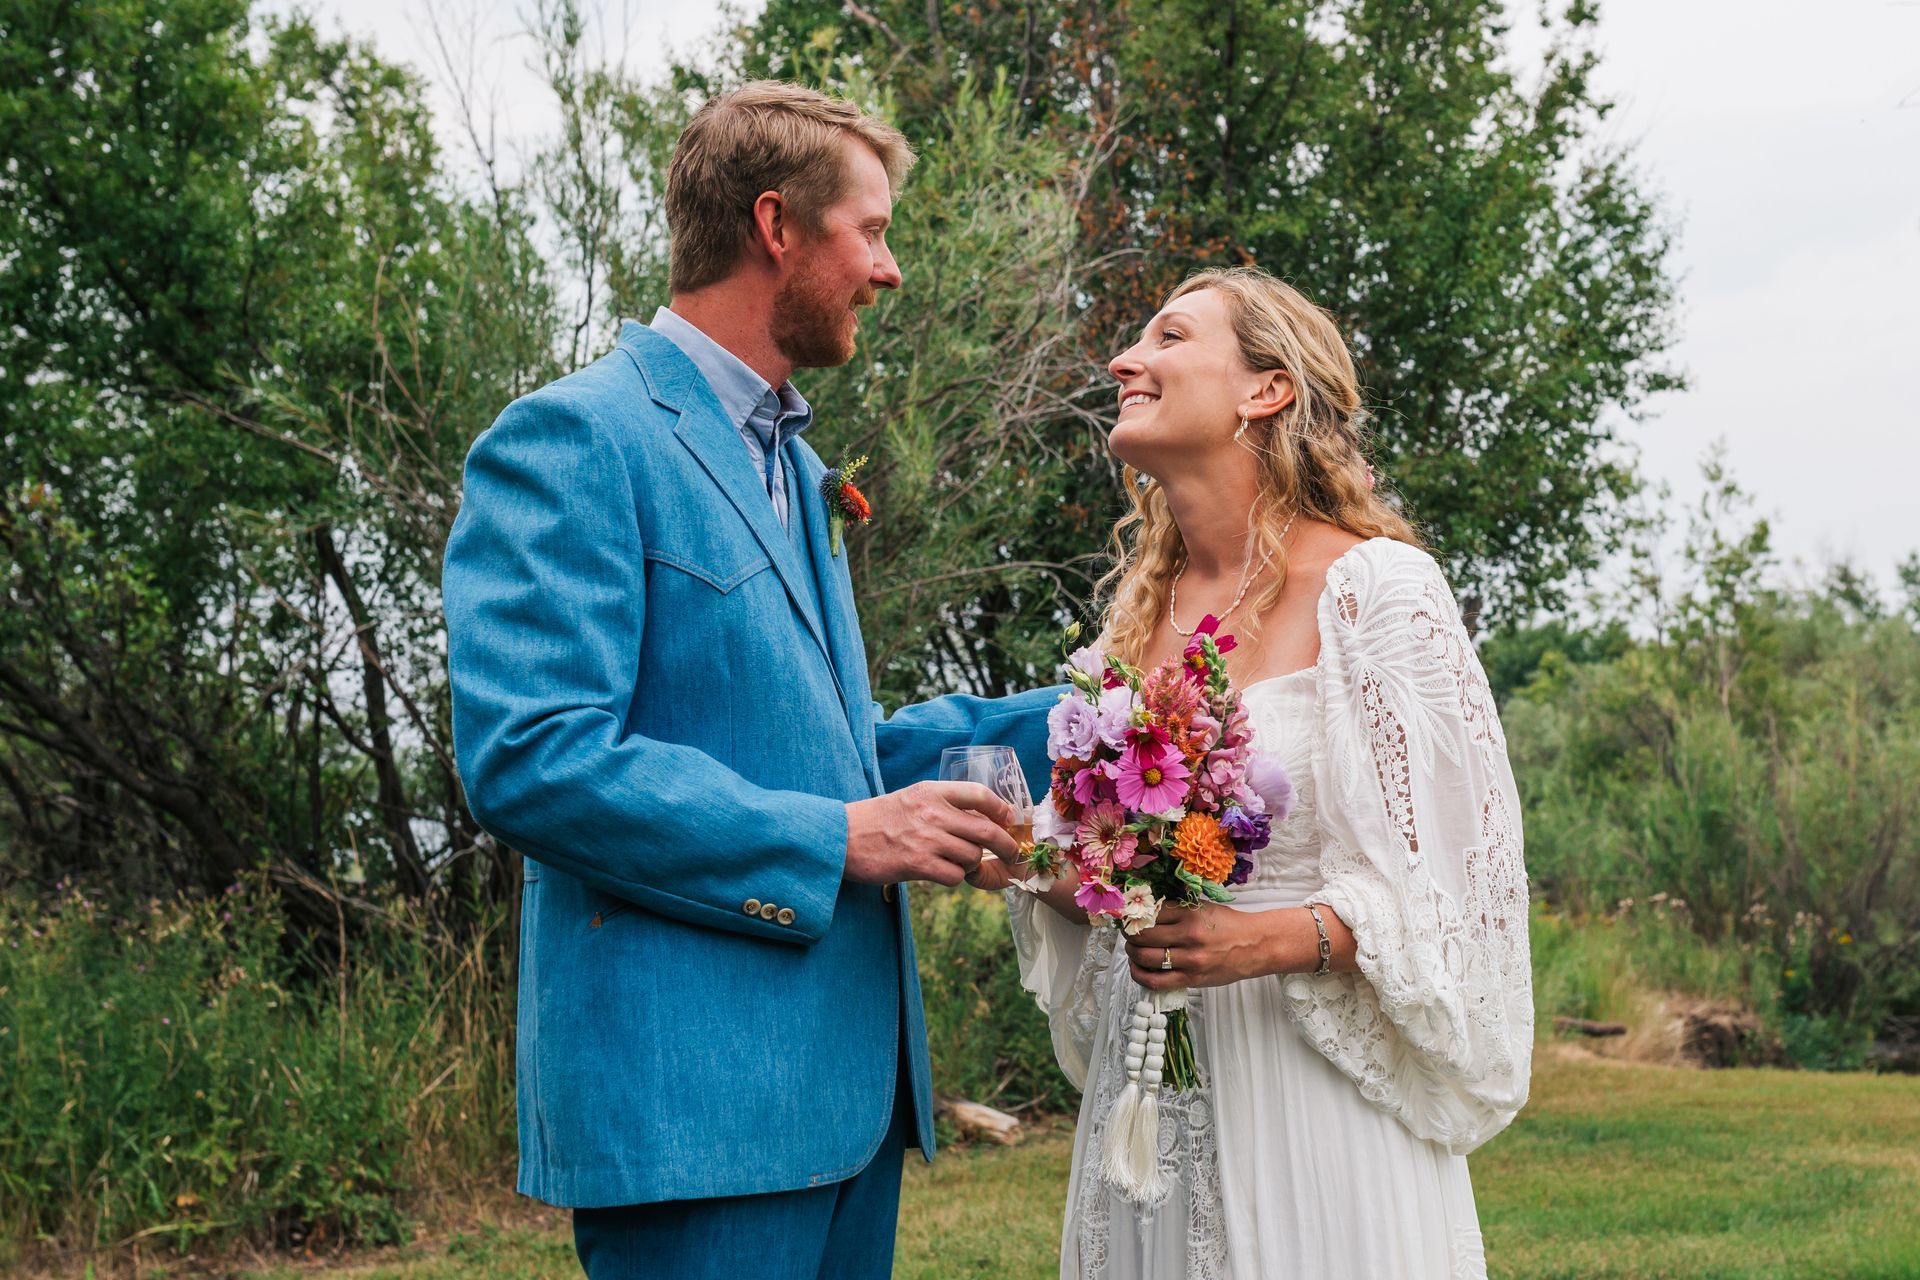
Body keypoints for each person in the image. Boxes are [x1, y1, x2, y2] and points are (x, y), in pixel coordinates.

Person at [441, 81, 1054, 1280]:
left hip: (847, 1109)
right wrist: (837, 838)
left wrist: (1097, 719)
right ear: (778, 227)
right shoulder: (575, 437)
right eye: (870, 231)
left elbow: (827, 752)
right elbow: (534, 756)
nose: (890, 270)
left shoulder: (798, 460)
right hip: (696, 1114)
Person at [986, 266, 1533, 1278]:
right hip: (1153, 1099)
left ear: (1265, 389)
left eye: (1169, 338)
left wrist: (1268, 938)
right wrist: (1032, 860)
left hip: (1310, 1093)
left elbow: (1462, 887)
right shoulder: (1129, 627)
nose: (1125, 359)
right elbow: (1107, 875)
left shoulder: (1377, 590)